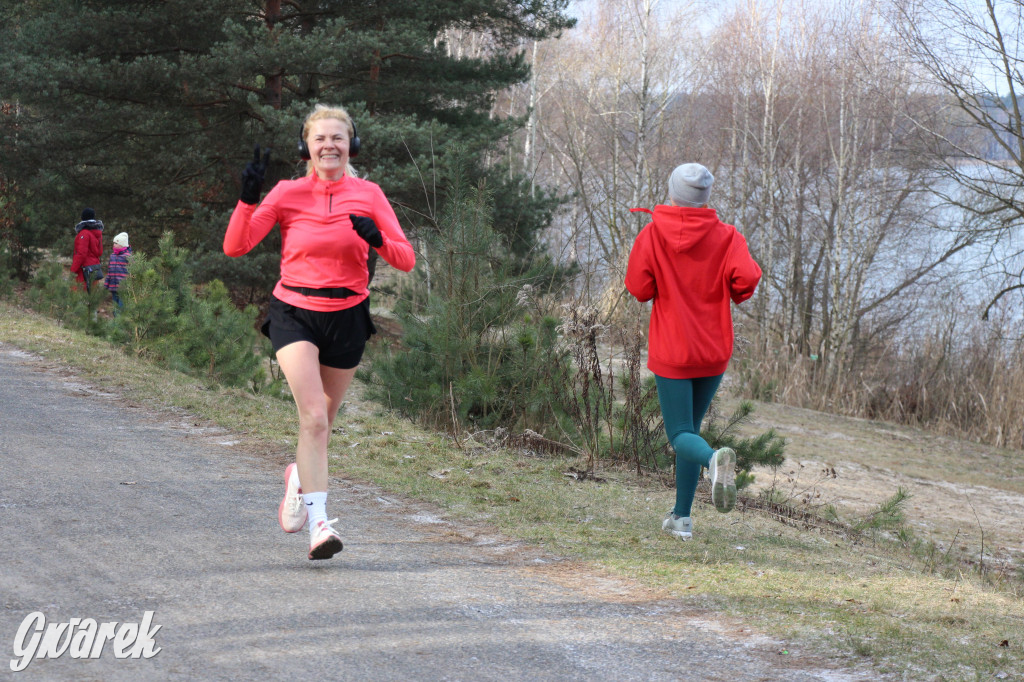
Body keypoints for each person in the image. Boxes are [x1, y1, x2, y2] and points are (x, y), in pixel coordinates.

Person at [223, 104, 416, 560]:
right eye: (320, 139)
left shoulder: (369, 194)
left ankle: (298, 477)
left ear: (352, 144)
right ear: (306, 147)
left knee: (322, 425)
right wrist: (248, 200)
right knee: (312, 418)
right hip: (294, 311)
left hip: (347, 315)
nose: (329, 145)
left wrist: (378, 239)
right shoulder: (288, 193)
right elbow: (236, 247)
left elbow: (405, 259)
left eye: (338, 138)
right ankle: (320, 526)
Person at [625, 163, 761, 541]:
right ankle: (681, 519)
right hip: (713, 350)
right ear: (706, 197)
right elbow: (747, 280)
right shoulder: (729, 237)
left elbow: (638, 288)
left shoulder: (652, 235)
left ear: (672, 193)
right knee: (692, 429)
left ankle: (713, 461)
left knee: (681, 433)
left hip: (673, 350)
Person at [71, 208, 104, 291]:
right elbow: (100, 252)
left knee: (79, 295)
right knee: (92, 296)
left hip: (83, 270)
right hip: (94, 268)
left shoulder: (84, 233)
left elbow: (81, 254)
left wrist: (73, 270)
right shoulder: (98, 233)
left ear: (83, 217)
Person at [104, 232, 131, 312]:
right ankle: (116, 321)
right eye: (114, 243)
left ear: (122, 245)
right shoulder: (112, 256)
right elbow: (109, 272)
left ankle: (120, 321)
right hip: (113, 287)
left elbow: (132, 272)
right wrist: (106, 284)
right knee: (114, 308)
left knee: (121, 307)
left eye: (116, 243)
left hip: (123, 287)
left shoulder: (128, 256)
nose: (114, 245)